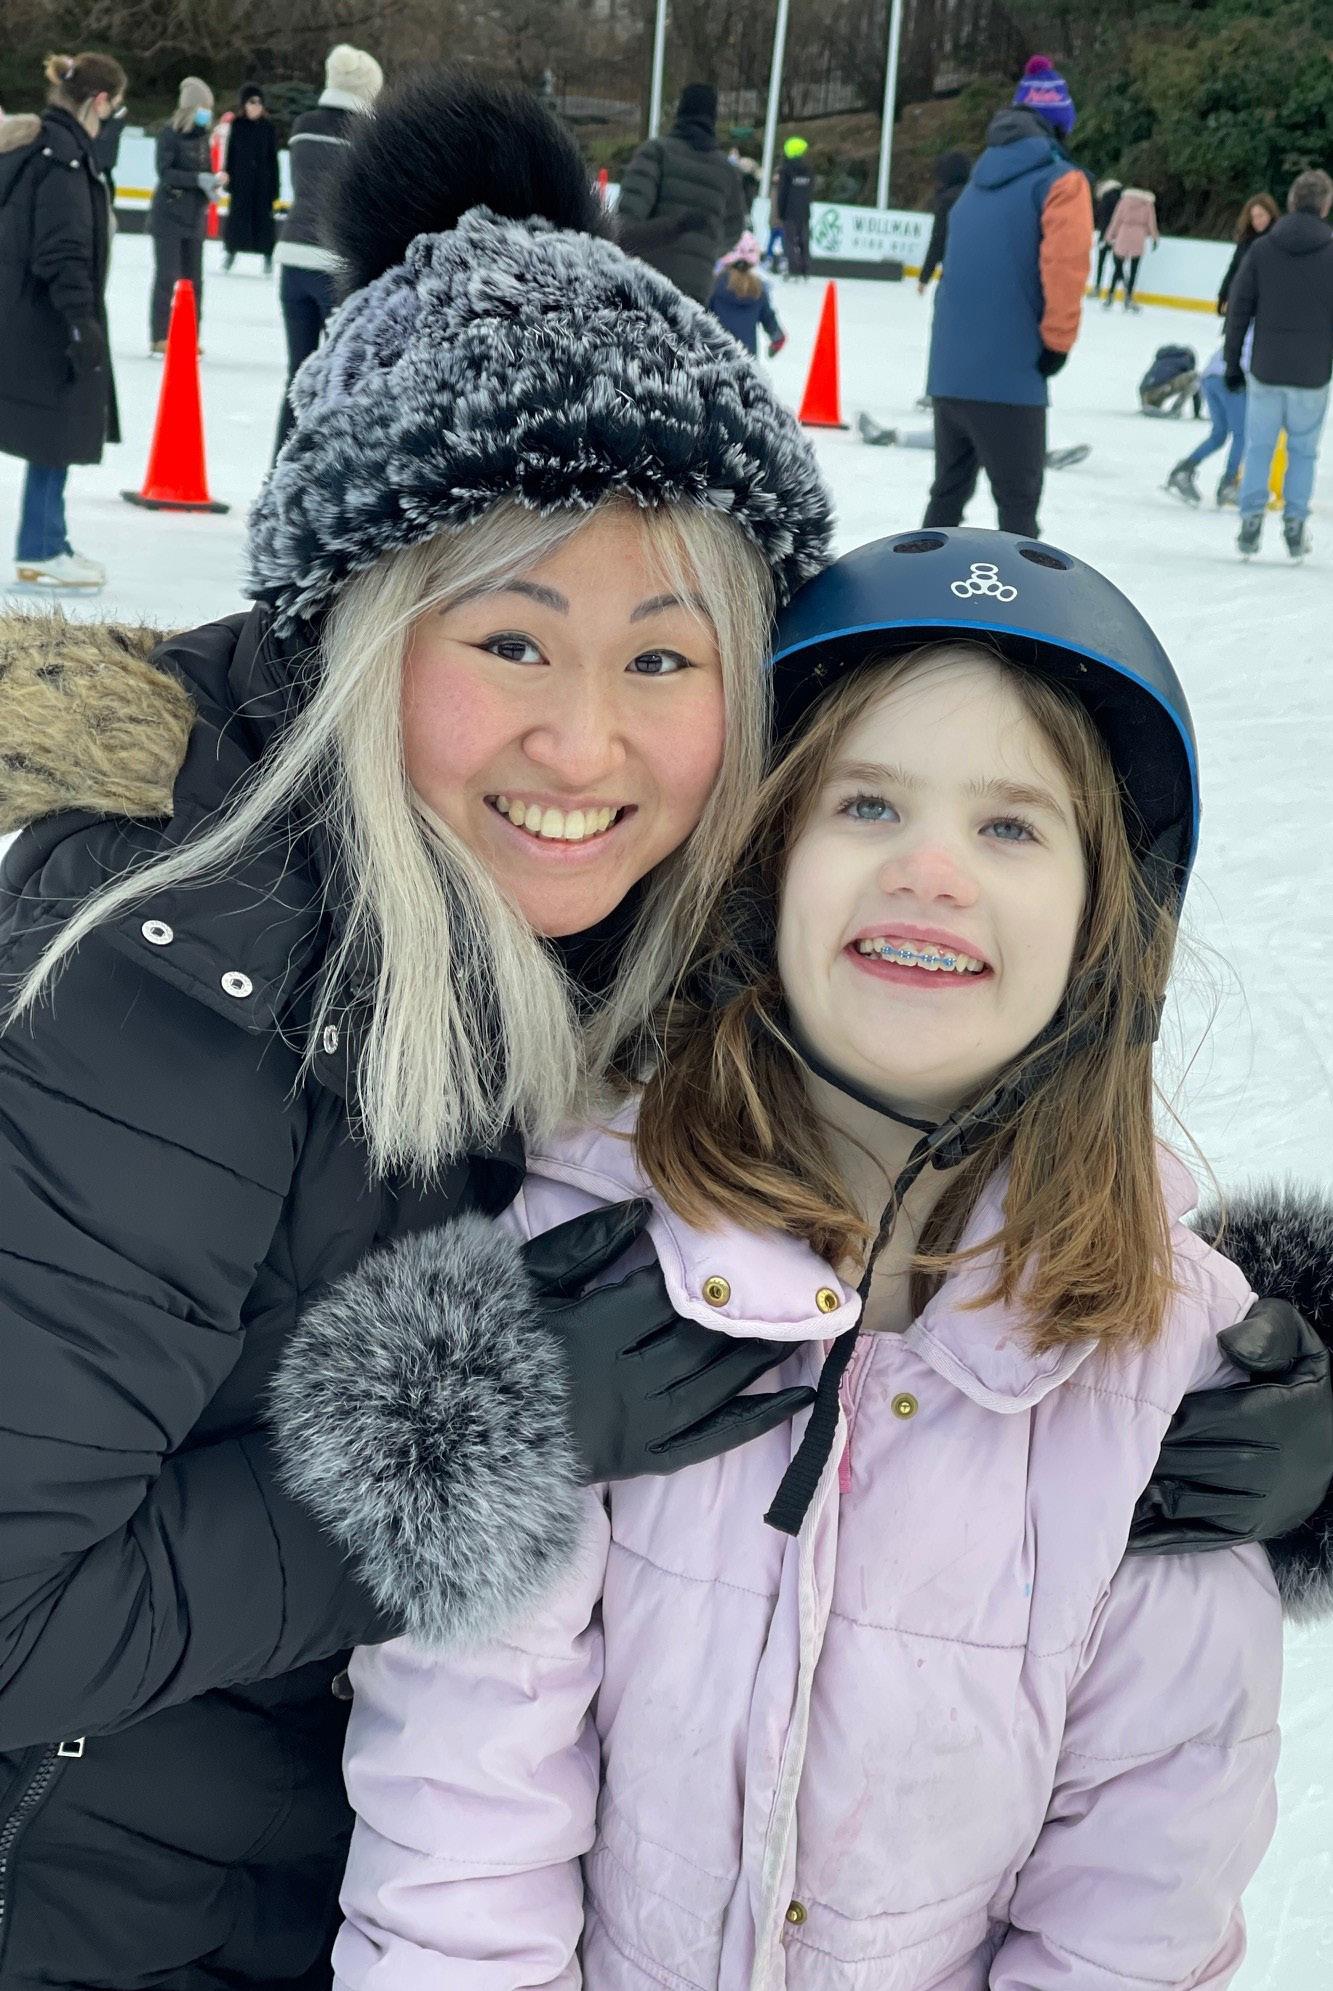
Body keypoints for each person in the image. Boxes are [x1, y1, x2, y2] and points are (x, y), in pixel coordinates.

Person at [0, 75, 834, 1990]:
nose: (583, 743)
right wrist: (486, 1427)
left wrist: (1198, 1416)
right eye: (510, 640)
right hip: (127, 1920)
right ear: (363, 631)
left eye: (661, 655)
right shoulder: (161, 975)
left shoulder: (671, 927)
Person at [304, 528, 1292, 1986]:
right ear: (764, 866)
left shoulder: (1169, 1362)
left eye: (1012, 827)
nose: (930, 868)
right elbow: (464, 1801)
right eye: (867, 803)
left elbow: (1141, 1891)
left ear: (1105, 924)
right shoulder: (584, 1251)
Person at [923, 55, 1092, 538]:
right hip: (1011, 380)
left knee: (946, 496)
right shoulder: (1061, 181)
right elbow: (1065, 266)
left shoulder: (975, 183)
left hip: (951, 374)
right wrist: (1057, 342)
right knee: (1018, 510)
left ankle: (919, 580)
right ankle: (1020, 591)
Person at [0, 51, 125, 591]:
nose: (111, 118)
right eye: (114, 108)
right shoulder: (64, 159)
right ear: (99, 100)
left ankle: (46, 541)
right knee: (56, 429)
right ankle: (43, 546)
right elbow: (63, 250)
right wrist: (81, 321)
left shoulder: (40, 143)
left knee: (51, 430)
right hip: (47, 315)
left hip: (26, 310)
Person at [273, 44, 383, 455]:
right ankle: (328, 466)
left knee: (296, 373)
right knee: (344, 377)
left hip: (292, 257)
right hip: (336, 264)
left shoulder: (303, 125)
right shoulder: (368, 135)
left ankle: (281, 466)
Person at [1227, 166, 1333, 561]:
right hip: (1312, 372)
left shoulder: (1263, 249)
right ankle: (1295, 522)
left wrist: (1232, 361)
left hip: (1267, 368)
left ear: (1290, 202)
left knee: (1259, 447)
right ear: (1325, 205)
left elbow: (1238, 309)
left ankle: (1251, 520)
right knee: (1303, 452)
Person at [614, 83, 746, 305]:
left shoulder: (656, 152)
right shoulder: (726, 171)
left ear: (681, 111)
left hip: (645, 281)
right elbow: (734, 229)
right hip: (696, 287)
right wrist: (703, 249)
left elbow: (626, 225)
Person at [148, 75, 224, 354]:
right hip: (168, 215)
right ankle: (159, 336)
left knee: (194, 282)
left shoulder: (203, 136)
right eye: (204, 108)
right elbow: (165, 172)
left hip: (194, 217)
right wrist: (197, 180)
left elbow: (203, 173)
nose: (208, 114)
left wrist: (211, 185)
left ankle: (190, 336)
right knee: (167, 277)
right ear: (192, 108)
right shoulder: (170, 134)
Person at [1165, 338, 1249, 506]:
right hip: (1233, 379)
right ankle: (1229, 484)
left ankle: (1183, 471)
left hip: (1210, 377)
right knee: (1242, 434)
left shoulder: (1246, 326)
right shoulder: (1269, 332)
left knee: (1219, 434)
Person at [222, 83, 279, 273]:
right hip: (241, 182)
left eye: (259, 102)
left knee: (264, 220)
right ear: (244, 105)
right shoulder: (237, 125)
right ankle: (231, 252)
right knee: (237, 218)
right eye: (252, 102)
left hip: (263, 183)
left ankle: (268, 257)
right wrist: (228, 177)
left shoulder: (268, 128)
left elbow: (273, 159)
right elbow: (230, 154)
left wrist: (275, 187)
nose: (256, 106)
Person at [707, 229, 786, 356]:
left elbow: (700, 317)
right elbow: (770, 321)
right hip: (747, 358)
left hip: (716, 356)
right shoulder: (758, 289)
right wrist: (777, 339)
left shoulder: (713, 286)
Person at [917, 148, 970, 292]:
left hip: (954, 270)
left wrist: (924, 277)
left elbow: (938, 239)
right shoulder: (978, 196)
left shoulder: (947, 201)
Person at [1218, 192, 1279, 314]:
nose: (1257, 221)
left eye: (1260, 215)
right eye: (1253, 217)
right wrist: (1224, 295)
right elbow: (1234, 268)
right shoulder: (1246, 240)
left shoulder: (1279, 239)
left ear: (1270, 214)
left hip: (1269, 308)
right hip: (1243, 306)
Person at [1102, 183, 1159, 310]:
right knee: (1134, 269)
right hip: (1139, 235)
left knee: (1118, 268)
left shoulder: (1124, 201)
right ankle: (1128, 297)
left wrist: (1109, 236)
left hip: (1124, 233)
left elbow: (1116, 219)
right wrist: (1155, 238)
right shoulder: (1148, 203)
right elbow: (1151, 222)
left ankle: (1110, 296)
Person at [774, 133, 815, 278]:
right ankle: (805, 268)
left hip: (789, 211)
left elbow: (782, 193)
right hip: (804, 211)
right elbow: (810, 190)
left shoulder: (785, 170)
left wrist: (780, 212)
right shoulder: (809, 170)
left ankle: (793, 268)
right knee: (804, 239)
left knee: (789, 240)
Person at [1092, 174, 1122, 294]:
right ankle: (1125, 289)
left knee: (1101, 262)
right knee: (1118, 263)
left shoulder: (1106, 197)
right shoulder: (1121, 196)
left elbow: (1101, 215)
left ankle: (1097, 287)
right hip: (1118, 234)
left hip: (1105, 232)